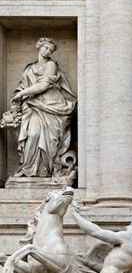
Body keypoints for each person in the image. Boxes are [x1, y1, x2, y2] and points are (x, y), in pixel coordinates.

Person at [1, 38, 76, 180]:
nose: (47, 51)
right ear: (38, 46)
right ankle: (27, 168)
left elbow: (43, 86)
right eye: (46, 48)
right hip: (33, 106)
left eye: (50, 50)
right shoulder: (29, 69)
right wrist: (19, 96)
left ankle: (46, 171)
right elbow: (21, 87)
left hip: (52, 105)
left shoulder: (51, 65)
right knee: (33, 134)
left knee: (50, 141)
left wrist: (22, 94)